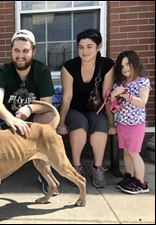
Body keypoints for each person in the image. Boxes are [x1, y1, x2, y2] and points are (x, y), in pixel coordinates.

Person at [0, 29, 56, 195]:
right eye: (17, 50)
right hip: (7, 121)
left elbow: (47, 105)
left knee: (48, 117)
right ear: (11, 51)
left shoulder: (42, 71)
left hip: (32, 123)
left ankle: (45, 173)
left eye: (25, 51)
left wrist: (29, 108)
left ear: (33, 51)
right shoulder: (3, 72)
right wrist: (10, 119)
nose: (21, 55)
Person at [57, 28, 116, 188]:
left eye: (89, 46)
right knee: (79, 124)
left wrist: (111, 123)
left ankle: (97, 167)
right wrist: (61, 122)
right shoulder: (69, 67)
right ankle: (76, 167)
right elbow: (67, 97)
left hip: (95, 109)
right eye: (81, 47)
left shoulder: (107, 65)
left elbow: (107, 96)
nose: (85, 51)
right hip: (74, 109)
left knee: (100, 124)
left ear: (99, 46)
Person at [112, 50, 150, 194]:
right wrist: (115, 94)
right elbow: (111, 102)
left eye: (128, 64)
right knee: (126, 153)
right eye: (122, 66)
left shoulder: (142, 82)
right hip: (122, 124)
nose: (125, 68)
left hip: (136, 124)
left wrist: (126, 94)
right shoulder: (119, 84)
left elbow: (142, 102)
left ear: (135, 64)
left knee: (134, 152)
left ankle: (141, 182)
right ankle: (129, 177)